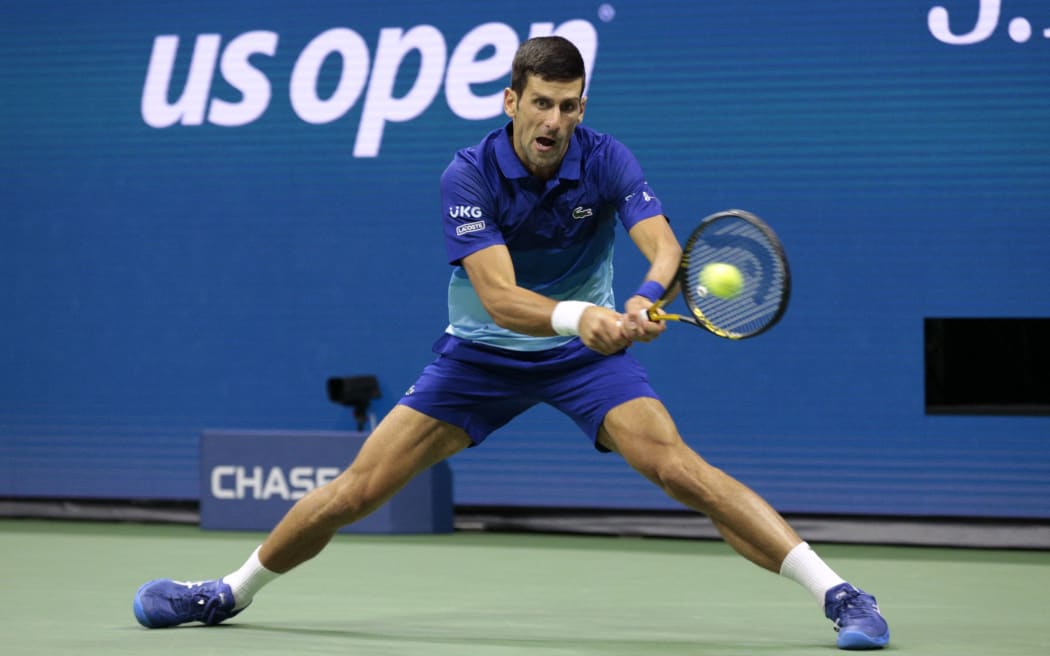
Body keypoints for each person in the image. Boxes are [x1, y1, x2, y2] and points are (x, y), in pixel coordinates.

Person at [133, 36, 890, 650]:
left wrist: (641, 299)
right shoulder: (467, 176)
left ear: (581, 106)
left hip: (584, 362)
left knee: (682, 471)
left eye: (567, 106)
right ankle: (227, 594)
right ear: (511, 102)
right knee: (358, 491)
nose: (553, 121)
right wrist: (578, 317)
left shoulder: (608, 157)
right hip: (481, 356)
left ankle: (841, 595)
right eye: (540, 105)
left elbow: (663, 248)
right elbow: (498, 297)